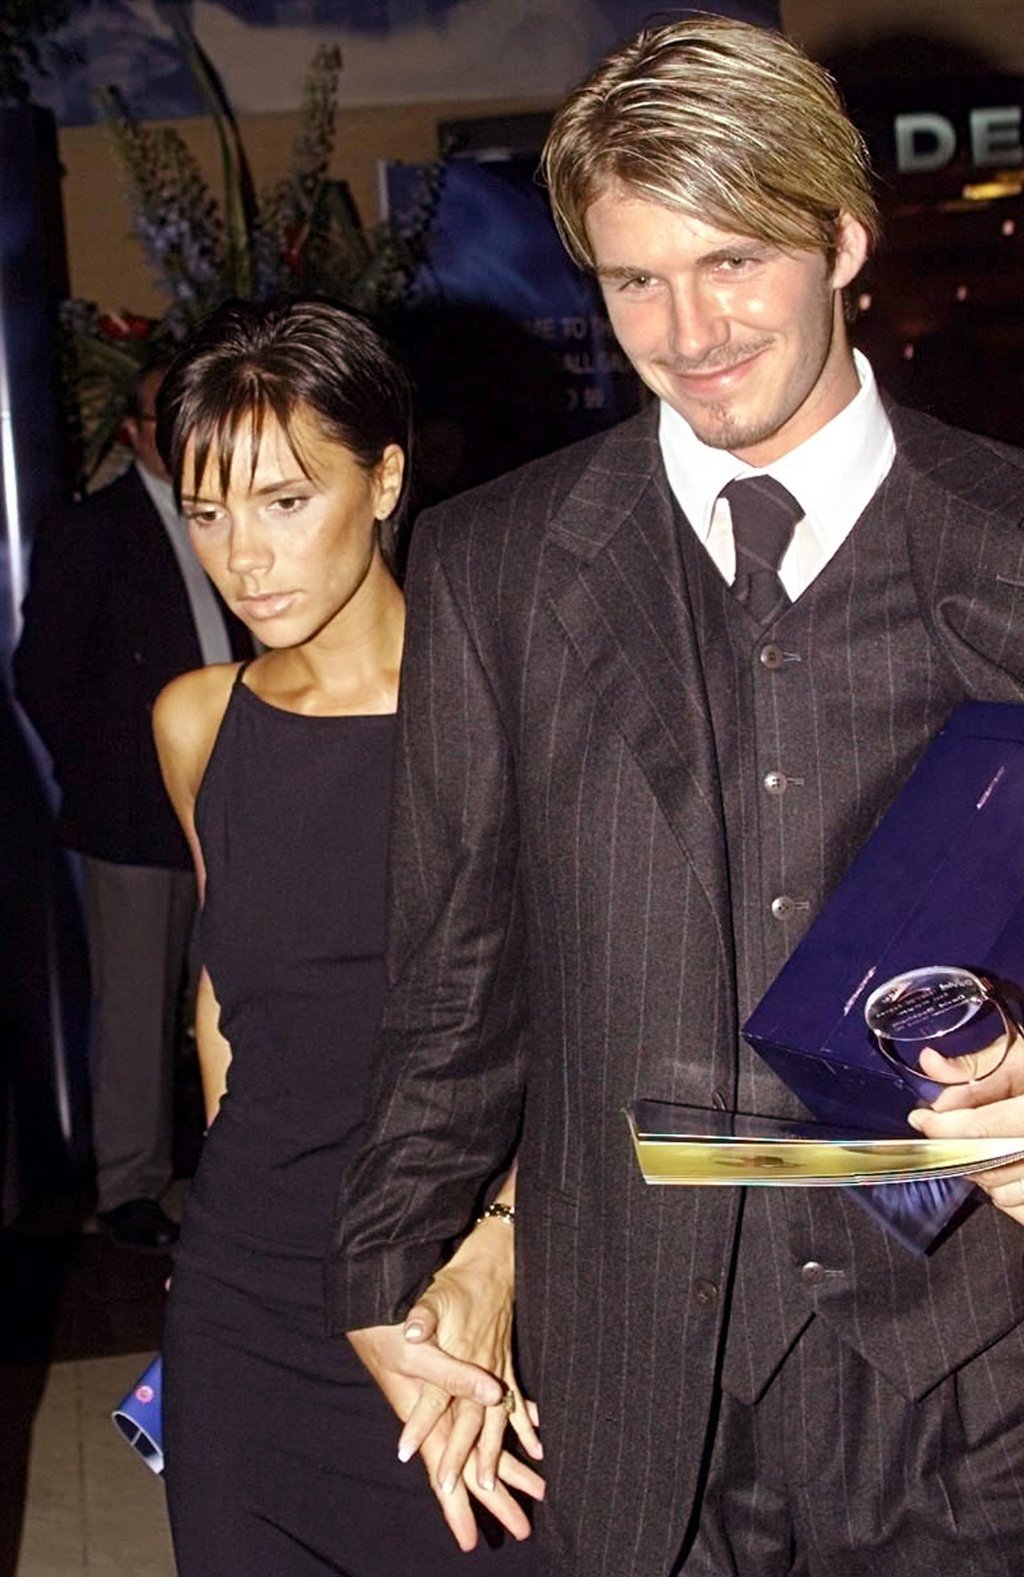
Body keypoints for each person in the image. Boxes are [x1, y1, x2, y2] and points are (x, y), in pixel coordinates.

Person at [327, 18, 1024, 1577]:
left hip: (973, 1362)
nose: (689, 329)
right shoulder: (499, 565)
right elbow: (456, 977)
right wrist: (397, 1260)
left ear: (842, 239)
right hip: (633, 1371)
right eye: (635, 278)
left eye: (732, 264)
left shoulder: (1009, 544)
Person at [149, 295, 543, 1574]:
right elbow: (226, 993)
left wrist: (500, 1249)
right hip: (247, 1299)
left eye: (282, 501)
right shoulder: (198, 720)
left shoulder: (506, 704)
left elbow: (605, 1020)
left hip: (458, 1280)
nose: (242, 558)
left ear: (384, 478)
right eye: (206, 513)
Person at [13, 361, 252, 1251]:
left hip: (240, 807)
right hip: (133, 817)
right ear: (134, 430)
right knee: (135, 1007)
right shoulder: (92, 530)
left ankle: (237, 1178)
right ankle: (129, 1185)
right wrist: (108, 771)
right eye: (168, 415)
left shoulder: (231, 517)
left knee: (239, 995)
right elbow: (41, 673)